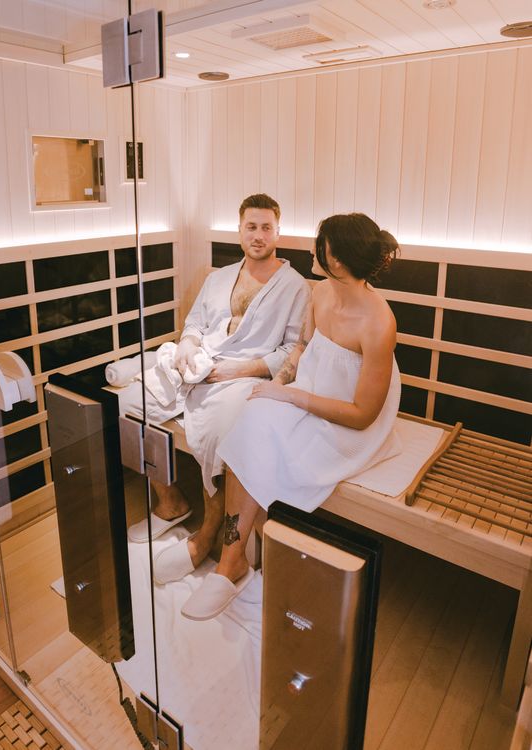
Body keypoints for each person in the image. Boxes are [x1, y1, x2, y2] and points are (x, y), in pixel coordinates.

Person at [180, 212, 402, 620]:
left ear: (335, 260)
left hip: (348, 419)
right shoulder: (319, 293)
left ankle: (233, 565)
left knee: (265, 432)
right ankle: (235, 562)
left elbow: (362, 416)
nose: (312, 247)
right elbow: (301, 350)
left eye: (321, 242)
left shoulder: (378, 323)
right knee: (248, 421)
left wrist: (293, 400)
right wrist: (280, 388)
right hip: (312, 391)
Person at [128, 194, 311, 585]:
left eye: (266, 227)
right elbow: (193, 325)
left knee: (222, 433)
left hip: (246, 376)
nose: (258, 235)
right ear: (239, 229)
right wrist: (189, 346)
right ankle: (171, 501)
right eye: (251, 226)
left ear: (278, 231)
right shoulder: (218, 278)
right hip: (201, 366)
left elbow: (292, 351)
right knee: (132, 403)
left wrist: (235, 370)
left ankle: (208, 533)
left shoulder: (295, 287)